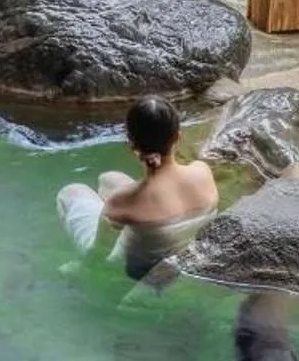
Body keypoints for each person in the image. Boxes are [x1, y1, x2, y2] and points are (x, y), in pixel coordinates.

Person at [57, 95, 221, 279]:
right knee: (108, 179)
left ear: (131, 144)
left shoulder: (123, 202)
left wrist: (83, 266)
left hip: (127, 264)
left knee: (70, 192)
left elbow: (98, 254)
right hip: (176, 248)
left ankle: (83, 267)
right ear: (178, 137)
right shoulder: (202, 172)